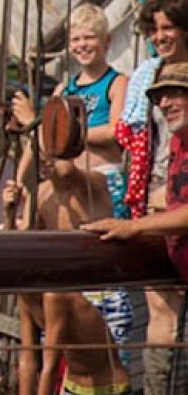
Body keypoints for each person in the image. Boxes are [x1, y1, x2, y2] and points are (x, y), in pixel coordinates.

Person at [85, 59, 188, 395]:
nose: (165, 104)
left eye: (176, 95)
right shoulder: (177, 144)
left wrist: (136, 227)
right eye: (161, 98)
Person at [3, 148, 132, 395]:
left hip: (100, 294)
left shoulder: (94, 181)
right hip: (73, 369)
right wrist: (10, 213)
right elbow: (29, 359)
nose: (43, 162)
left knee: (104, 362)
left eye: (47, 155)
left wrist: (44, 140)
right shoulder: (40, 195)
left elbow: (68, 172)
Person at [109, 0, 188, 394]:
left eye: (167, 27)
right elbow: (134, 135)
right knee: (160, 307)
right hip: (158, 188)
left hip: (180, 192)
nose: (159, 36)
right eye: (153, 29)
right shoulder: (149, 75)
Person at [9, 3, 128, 216]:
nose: (82, 44)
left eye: (89, 37)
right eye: (76, 39)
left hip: (102, 175)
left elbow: (114, 131)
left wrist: (66, 135)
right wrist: (19, 179)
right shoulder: (64, 89)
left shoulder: (117, 83)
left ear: (106, 41)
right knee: (36, 202)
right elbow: (41, 135)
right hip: (64, 173)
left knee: (66, 173)